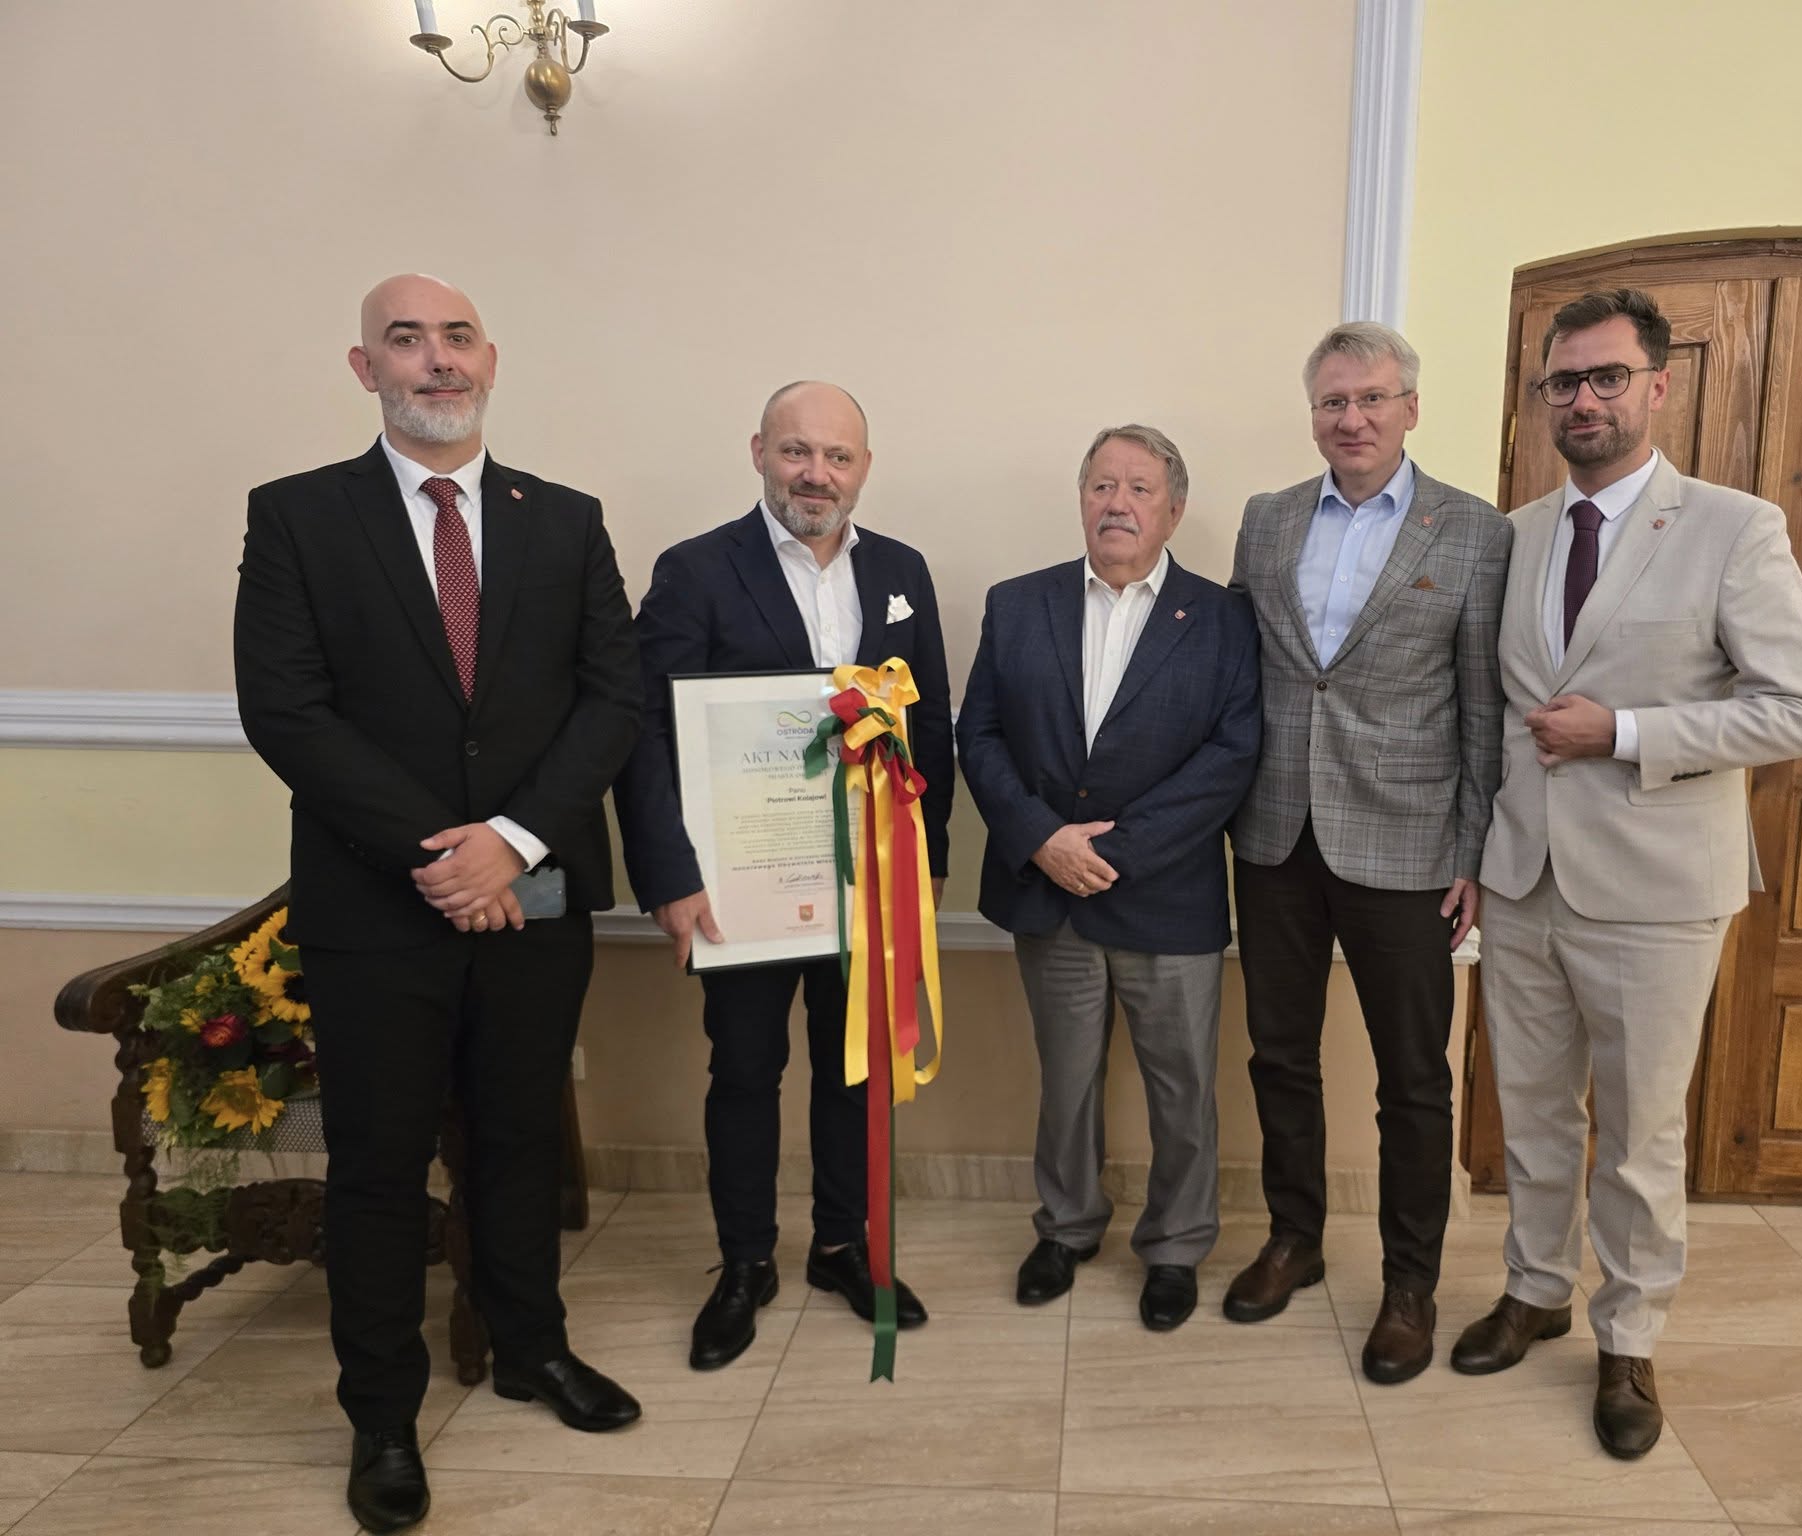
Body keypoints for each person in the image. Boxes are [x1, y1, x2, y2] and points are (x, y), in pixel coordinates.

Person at [233, 274, 644, 1534]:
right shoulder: (298, 517)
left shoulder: (563, 520)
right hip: (377, 909)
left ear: (490, 360)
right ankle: (382, 1419)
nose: (436, 360)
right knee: (377, 1165)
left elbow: (612, 698)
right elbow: (285, 708)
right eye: (405, 341)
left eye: (456, 338)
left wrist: (509, 845)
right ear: (366, 369)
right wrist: (443, 855)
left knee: (520, 1139)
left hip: (536, 894)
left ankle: (530, 1348)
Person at [1456, 288, 1802, 1458]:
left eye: (1606, 376)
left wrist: (1620, 732)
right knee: (1529, 1111)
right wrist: (1472, 858)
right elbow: (1495, 711)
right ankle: (1533, 1288)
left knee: (1634, 1133)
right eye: (1562, 381)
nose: (1582, 399)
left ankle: (1626, 1337)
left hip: (1658, 889)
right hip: (1522, 876)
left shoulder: (1732, 527)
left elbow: (1795, 712)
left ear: (1656, 386)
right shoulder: (1513, 534)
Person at [611, 380, 953, 1369]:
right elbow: (646, 731)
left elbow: (929, 722)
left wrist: (924, 866)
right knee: (744, 1071)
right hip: (741, 886)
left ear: (863, 468)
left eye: (837, 457)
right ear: (759, 451)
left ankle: (842, 1246)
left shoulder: (901, 571)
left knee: (855, 1068)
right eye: (797, 451)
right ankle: (744, 1262)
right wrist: (669, 877)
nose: (816, 474)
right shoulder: (695, 571)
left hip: (868, 884)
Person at [1226, 322, 1510, 1384]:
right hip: (1272, 834)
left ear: (1410, 409)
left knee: (1413, 1080)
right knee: (1278, 1053)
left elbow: (1482, 706)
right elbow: (1242, 671)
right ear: (1313, 414)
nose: (1351, 419)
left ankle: (1409, 1284)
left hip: (1408, 842)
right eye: (1332, 401)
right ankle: (1293, 1239)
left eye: (1371, 399)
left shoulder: (1472, 532)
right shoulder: (1266, 520)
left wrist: (1473, 846)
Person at [957, 424, 1261, 1330]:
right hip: (1047, 892)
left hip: (1167, 897)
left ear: (1174, 509)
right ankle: (1066, 1227)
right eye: (1101, 485)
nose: (1116, 503)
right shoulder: (1018, 604)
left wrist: (1111, 852)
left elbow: (1232, 754)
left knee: (1182, 1089)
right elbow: (979, 734)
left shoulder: (1224, 619)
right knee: (1067, 1081)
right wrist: (1042, 839)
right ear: (1081, 499)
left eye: (1138, 488)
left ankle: (1175, 1246)